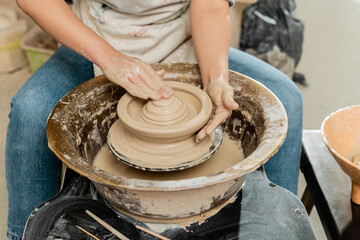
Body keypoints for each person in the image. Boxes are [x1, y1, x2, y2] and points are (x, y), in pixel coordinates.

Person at [6, 0, 303, 239]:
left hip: (184, 35)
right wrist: (109, 58)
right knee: (30, 111)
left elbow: (210, 5)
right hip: (97, 36)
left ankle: (276, 227)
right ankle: (22, 234)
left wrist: (216, 77)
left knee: (285, 100)